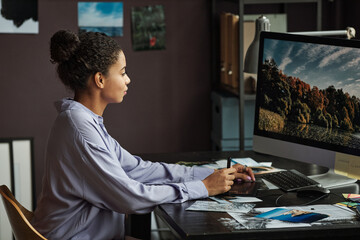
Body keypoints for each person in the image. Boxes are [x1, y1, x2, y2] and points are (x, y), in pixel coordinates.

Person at [31, 29, 255, 240]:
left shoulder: (83, 121)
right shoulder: (79, 128)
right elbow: (130, 198)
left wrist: (215, 175)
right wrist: (204, 187)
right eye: (122, 72)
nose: (127, 80)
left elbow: (139, 169)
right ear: (100, 80)